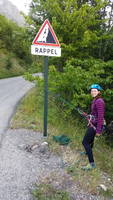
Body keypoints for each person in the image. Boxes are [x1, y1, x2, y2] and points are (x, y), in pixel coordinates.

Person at [81, 84, 105, 170]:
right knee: (90, 141)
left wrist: (98, 130)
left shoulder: (99, 101)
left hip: (96, 126)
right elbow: (95, 114)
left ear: (99, 92)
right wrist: (87, 115)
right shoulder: (95, 100)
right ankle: (88, 152)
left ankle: (92, 164)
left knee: (85, 142)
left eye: (94, 91)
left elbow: (101, 117)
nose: (93, 92)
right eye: (92, 91)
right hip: (93, 123)